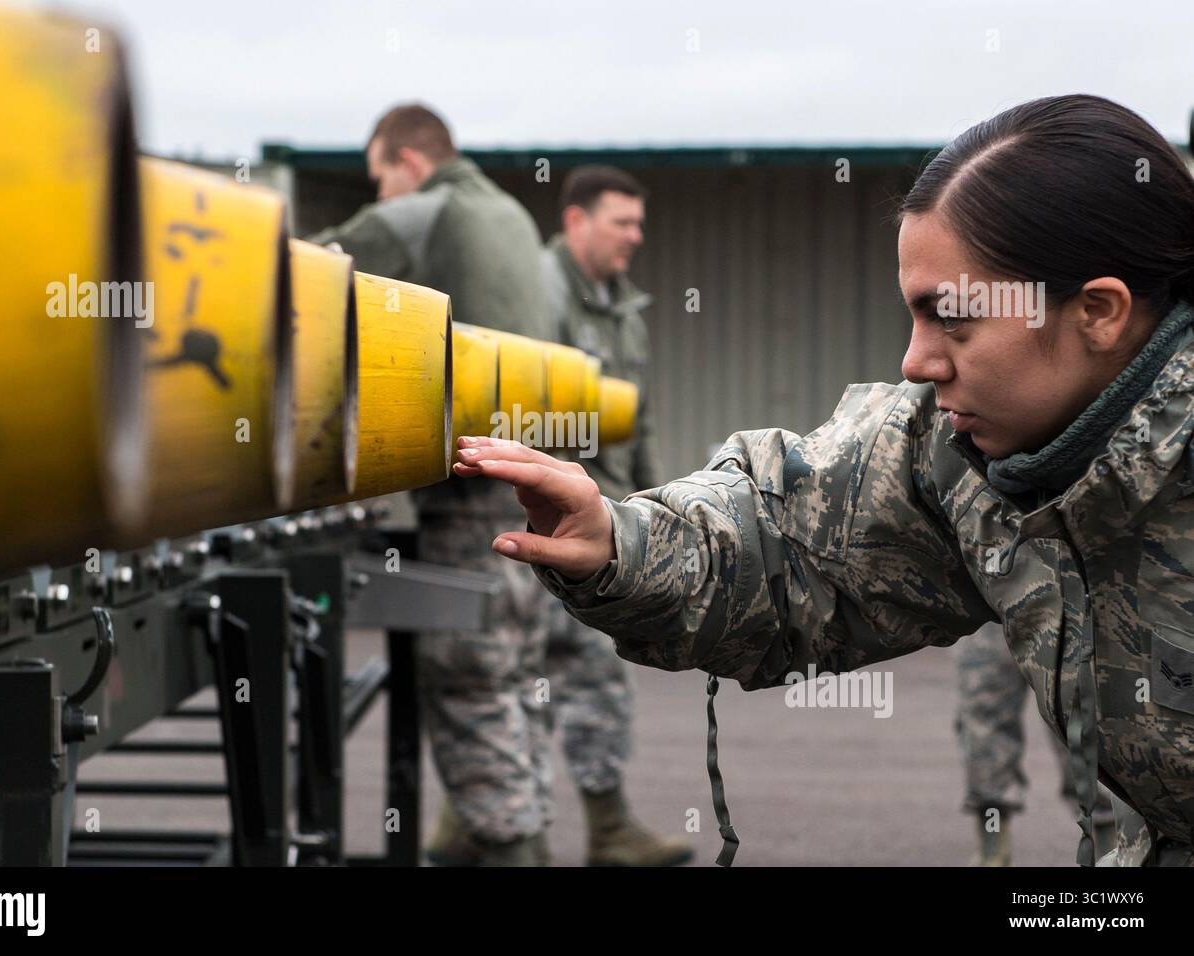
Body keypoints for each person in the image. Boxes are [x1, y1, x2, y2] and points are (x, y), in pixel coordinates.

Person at [451, 93, 1194, 866]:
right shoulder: (962, 454)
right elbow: (795, 541)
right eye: (915, 316)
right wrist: (618, 540)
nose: (916, 362)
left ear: (1100, 313)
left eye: (954, 321)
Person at [309, 103, 555, 865]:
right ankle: (509, 832)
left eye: (379, 177)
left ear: (409, 165)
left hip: (470, 498)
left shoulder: (423, 210)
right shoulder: (512, 216)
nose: (380, 193)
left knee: (465, 677)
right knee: (514, 674)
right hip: (532, 480)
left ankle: (514, 851)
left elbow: (296, 270)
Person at [536, 165, 690, 866]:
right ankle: (538, 832)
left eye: (638, 222)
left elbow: (642, 417)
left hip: (611, 516)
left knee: (563, 675)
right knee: (536, 676)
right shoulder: (538, 293)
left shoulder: (622, 307)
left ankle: (596, 826)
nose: (635, 236)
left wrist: (658, 507)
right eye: (620, 222)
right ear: (576, 221)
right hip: (552, 520)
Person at [955, 621, 1115, 865]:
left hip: (1062, 600)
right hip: (987, 603)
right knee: (984, 720)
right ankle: (993, 850)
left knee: (1079, 715)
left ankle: (1108, 845)